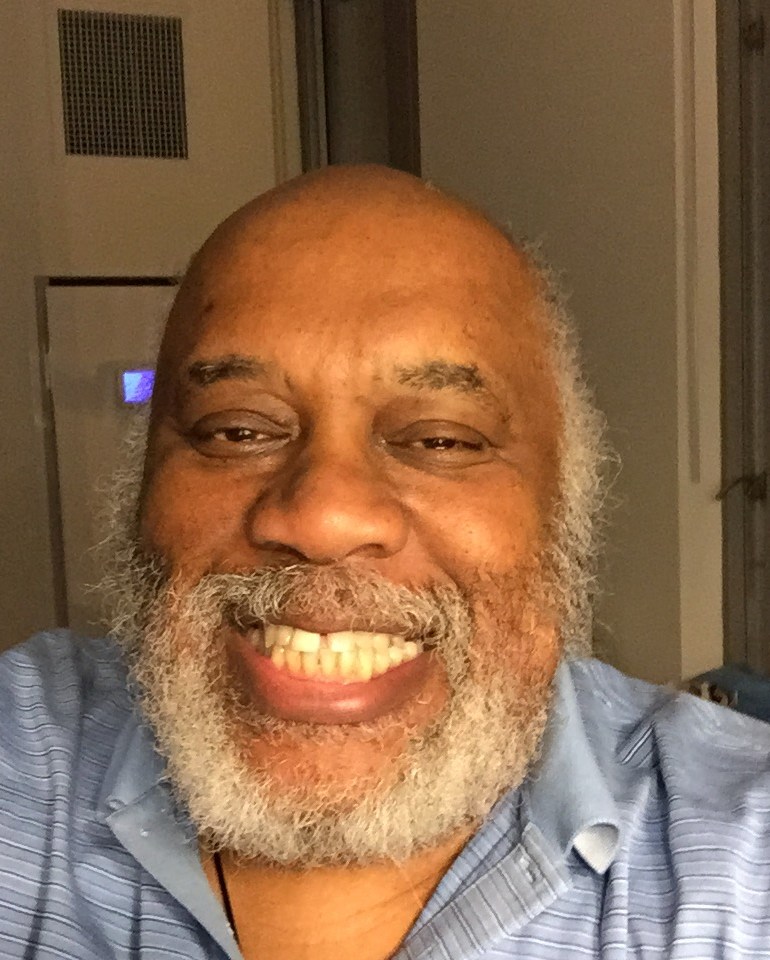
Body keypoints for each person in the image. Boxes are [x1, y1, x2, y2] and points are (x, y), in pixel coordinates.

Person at [1, 165, 769, 960]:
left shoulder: (745, 863)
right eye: (236, 430)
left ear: (564, 510)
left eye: (441, 439)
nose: (324, 516)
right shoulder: (24, 756)